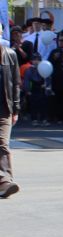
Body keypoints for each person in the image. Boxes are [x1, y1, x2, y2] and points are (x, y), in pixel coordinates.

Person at [0, 29, 18, 199]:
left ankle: (6, 180)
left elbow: (15, 83)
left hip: (4, 109)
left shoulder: (10, 54)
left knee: (3, 144)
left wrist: (16, 109)